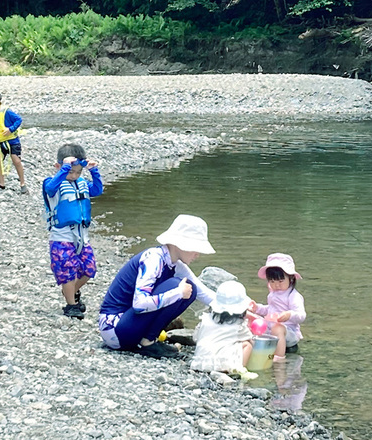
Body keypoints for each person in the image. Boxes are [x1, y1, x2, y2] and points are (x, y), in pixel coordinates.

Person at [99, 214, 217, 359]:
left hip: (129, 327)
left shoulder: (175, 265)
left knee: (190, 289)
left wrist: (241, 308)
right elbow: (139, 304)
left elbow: (204, 293)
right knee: (180, 287)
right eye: (195, 248)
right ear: (180, 243)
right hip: (115, 330)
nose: (197, 254)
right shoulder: (153, 259)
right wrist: (178, 293)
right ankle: (147, 343)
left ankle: (148, 339)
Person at [43, 143, 104, 319]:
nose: (74, 175)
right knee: (67, 270)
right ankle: (71, 304)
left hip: (82, 236)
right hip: (62, 236)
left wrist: (94, 171)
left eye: (78, 172)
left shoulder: (82, 183)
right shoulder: (53, 184)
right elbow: (50, 188)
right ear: (58, 167)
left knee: (89, 268)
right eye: (71, 172)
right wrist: (64, 169)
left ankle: (71, 292)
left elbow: (97, 190)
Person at [190, 280, 258, 379]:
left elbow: (195, 337)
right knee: (247, 345)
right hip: (223, 365)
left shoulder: (206, 319)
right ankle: (240, 369)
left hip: (199, 363)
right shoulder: (238, 326)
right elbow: (251, 340)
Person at [248, 253, 306, 360]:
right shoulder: (273, 293)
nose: (276, 285)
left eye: (280, 281)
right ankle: (253, 350)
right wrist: (257, 309)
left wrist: (289, 315)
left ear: (291, 278)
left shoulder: (293, 296)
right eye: (272, 281)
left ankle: (279, 358)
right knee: (251, 321)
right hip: (272, 329)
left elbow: (301, 315)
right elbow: (270, 309)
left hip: (289, 333)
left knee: (278, 328)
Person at [0, 89, 27, 193]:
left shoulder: (7, 112)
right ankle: (1, 183)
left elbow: (18, 120)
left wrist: (10, 129)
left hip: (12, 142)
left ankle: (22, 183)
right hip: (0, 143)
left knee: (16, 161)